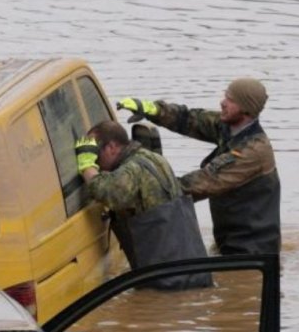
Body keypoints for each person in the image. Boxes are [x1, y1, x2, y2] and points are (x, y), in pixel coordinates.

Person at [117, 77, 280, 255]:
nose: (223, 102)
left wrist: (140, 191)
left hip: (252, 251)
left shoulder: (253, 152)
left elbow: (200, 184)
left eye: (231, 100)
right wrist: (153, 109)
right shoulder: (230, 127)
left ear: (246, 109)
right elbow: (189, 119)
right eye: (226, 96)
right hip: (229, 242)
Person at [76, 120, 211, 289]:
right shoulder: (154, 158)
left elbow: (109, 193)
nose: (95, 160)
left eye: (95, 152)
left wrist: (86, 166)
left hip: (169, 279)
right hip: (193, 268)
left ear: (111, 147)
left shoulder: (133, 169)